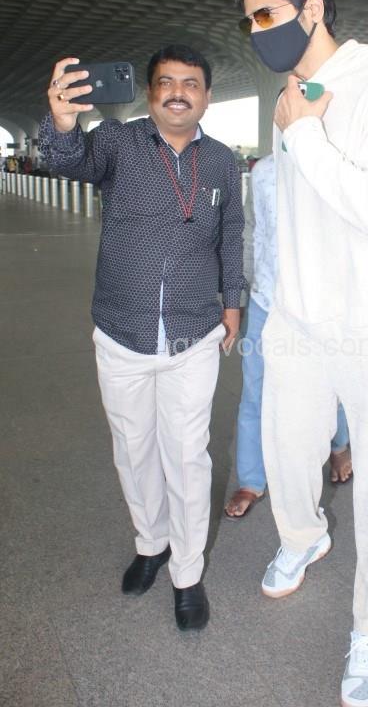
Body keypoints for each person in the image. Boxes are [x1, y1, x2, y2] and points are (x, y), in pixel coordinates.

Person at [234, 0, 368, 707]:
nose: (256, 31)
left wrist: (308, 135)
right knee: (285, 451)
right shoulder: (289, 97)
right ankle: (302, 536)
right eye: (249, 20)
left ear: (311, 9)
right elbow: (294, 214)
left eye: (266, 14)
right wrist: (277, 303)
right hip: (300, 318)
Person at [38, 44, 244, 632]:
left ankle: (187, 572)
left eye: (191, 83)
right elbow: (67, 160)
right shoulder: (117, 142)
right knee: (133, 449)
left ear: (206, 95)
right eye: (166, 82)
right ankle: (151, 544)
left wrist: (233, 303)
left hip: (194, 332)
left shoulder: (222, 161)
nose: (178, 92)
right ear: (150, 93)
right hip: (122, 331)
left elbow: (231, 231)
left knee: (187, 455)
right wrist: (61, 121)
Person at [224, 154, 351, 520]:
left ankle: (340, 446)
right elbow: (251, 234)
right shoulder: (263, 171)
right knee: (255, 392)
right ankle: (251, 480)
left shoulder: (335, 165)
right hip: (267, 300)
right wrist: (242, 298)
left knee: (331, 385)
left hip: (322, 306)